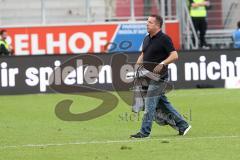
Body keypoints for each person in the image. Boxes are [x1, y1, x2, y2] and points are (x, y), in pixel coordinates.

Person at [130, 15, 191, 138]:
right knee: (164, 105)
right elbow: (143, 54)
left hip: (159, 78)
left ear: (157, 25)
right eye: (147, 22)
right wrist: (136, 67)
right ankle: (183, 125)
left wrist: (162, 63)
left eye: (150, 22)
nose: (147, 24)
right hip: (146, 78)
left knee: (149, 106)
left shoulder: (164, 39)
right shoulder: (146, 38)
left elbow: (174, 55)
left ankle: (144, 132)